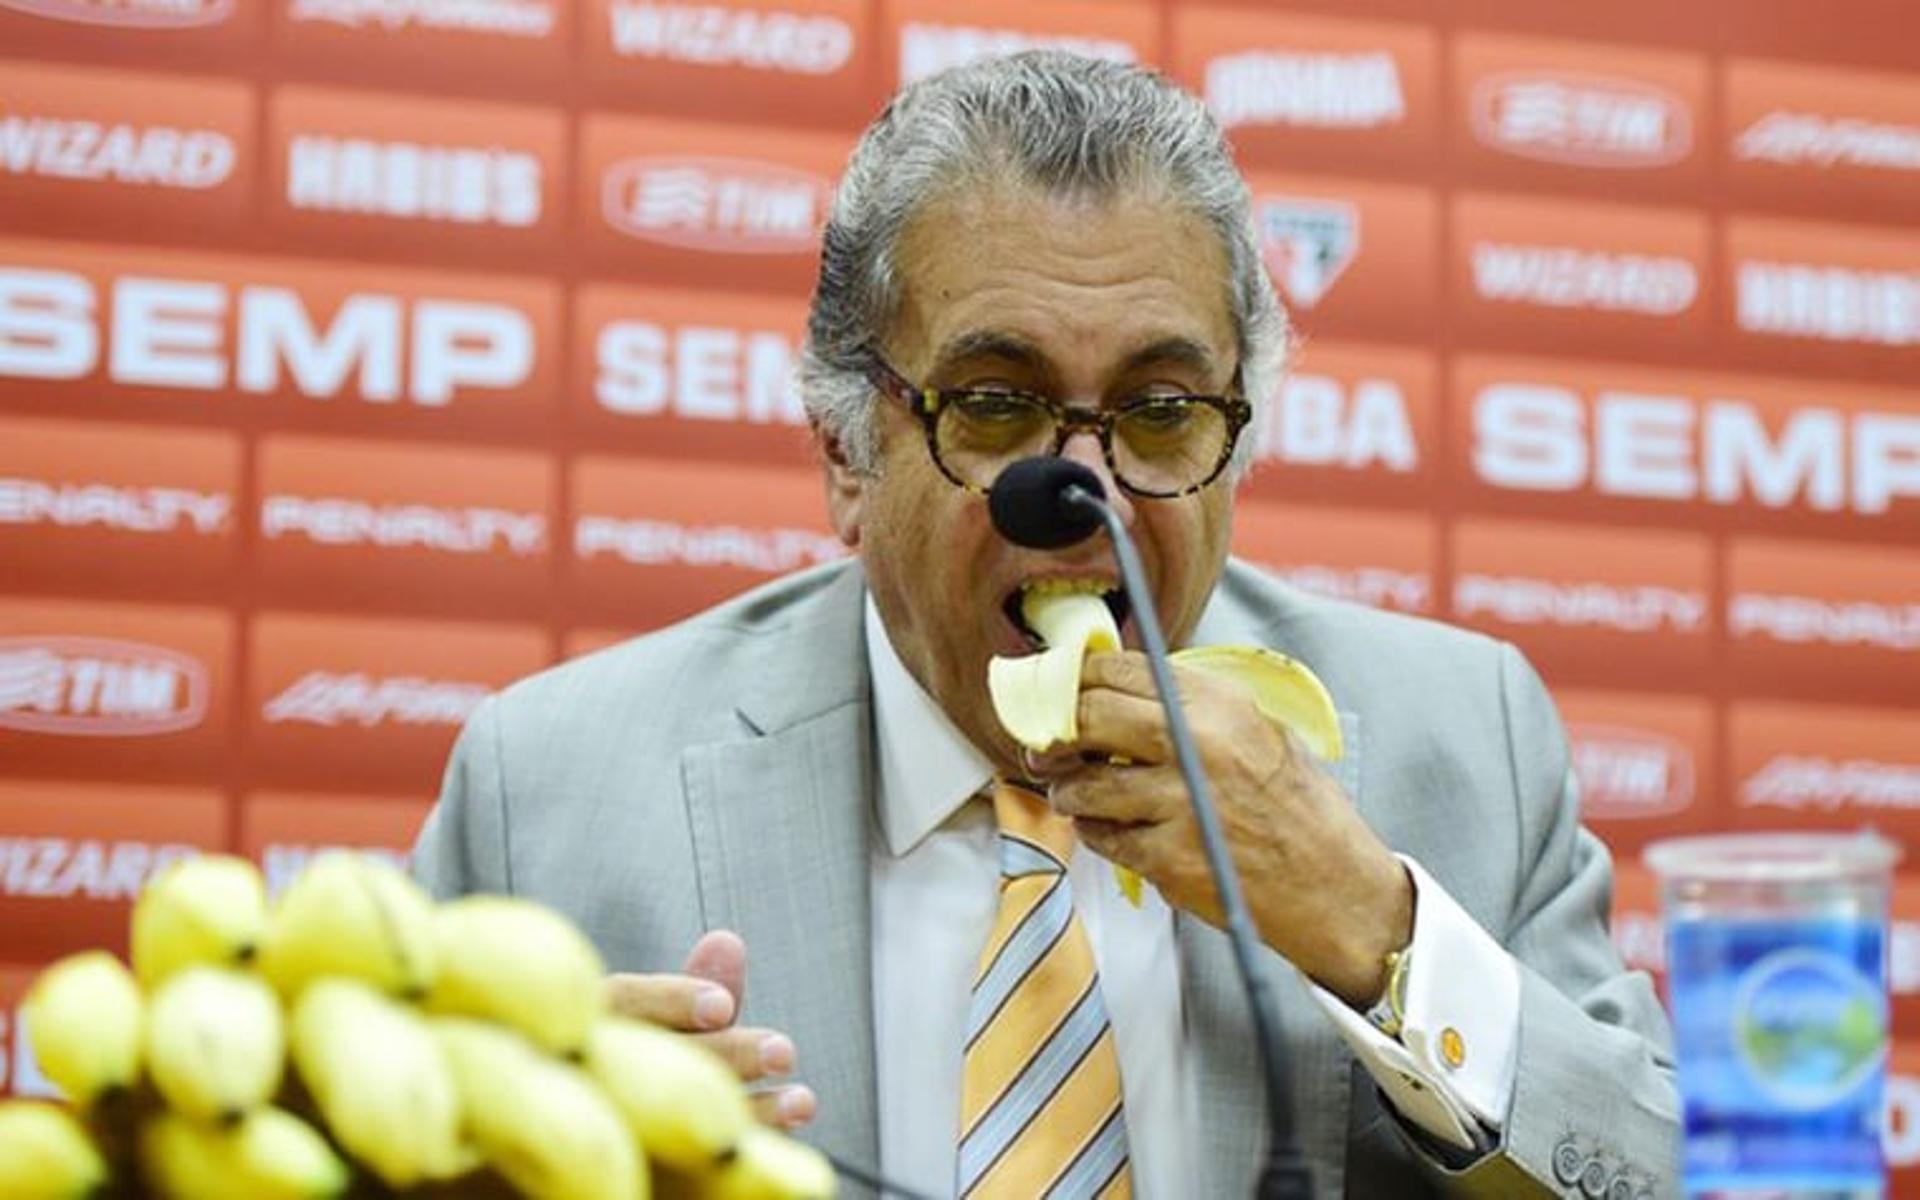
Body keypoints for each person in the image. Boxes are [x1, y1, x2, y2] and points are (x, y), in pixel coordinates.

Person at [414, 52, 1679, 1198]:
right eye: (997, 404)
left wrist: (1380, 937)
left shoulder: (1464, 741)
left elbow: (1655, 1176)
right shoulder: (550, 791)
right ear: (847, 457)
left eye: (1163, 409)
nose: (1086, 490)